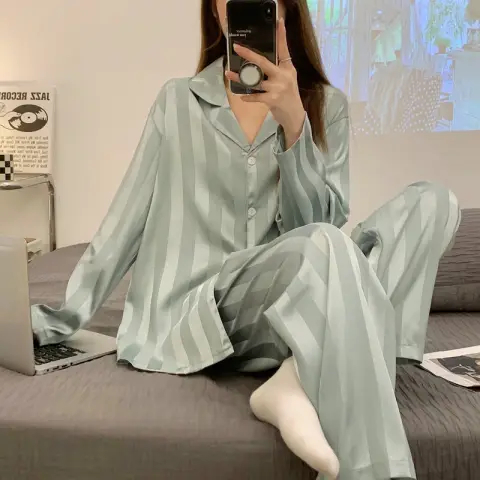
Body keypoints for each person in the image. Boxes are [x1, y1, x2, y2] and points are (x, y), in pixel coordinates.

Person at [31, 0, 461, 478]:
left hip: (296, 297)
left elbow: (316, 225)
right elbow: (123, 221)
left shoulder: (326, 106)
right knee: (325, 246)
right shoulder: (177, 102)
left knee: (432, 203)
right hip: (207, 305)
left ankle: (297, 376)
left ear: (286, 11)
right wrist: (57, 319)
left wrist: (294, 124)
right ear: (216, 12)